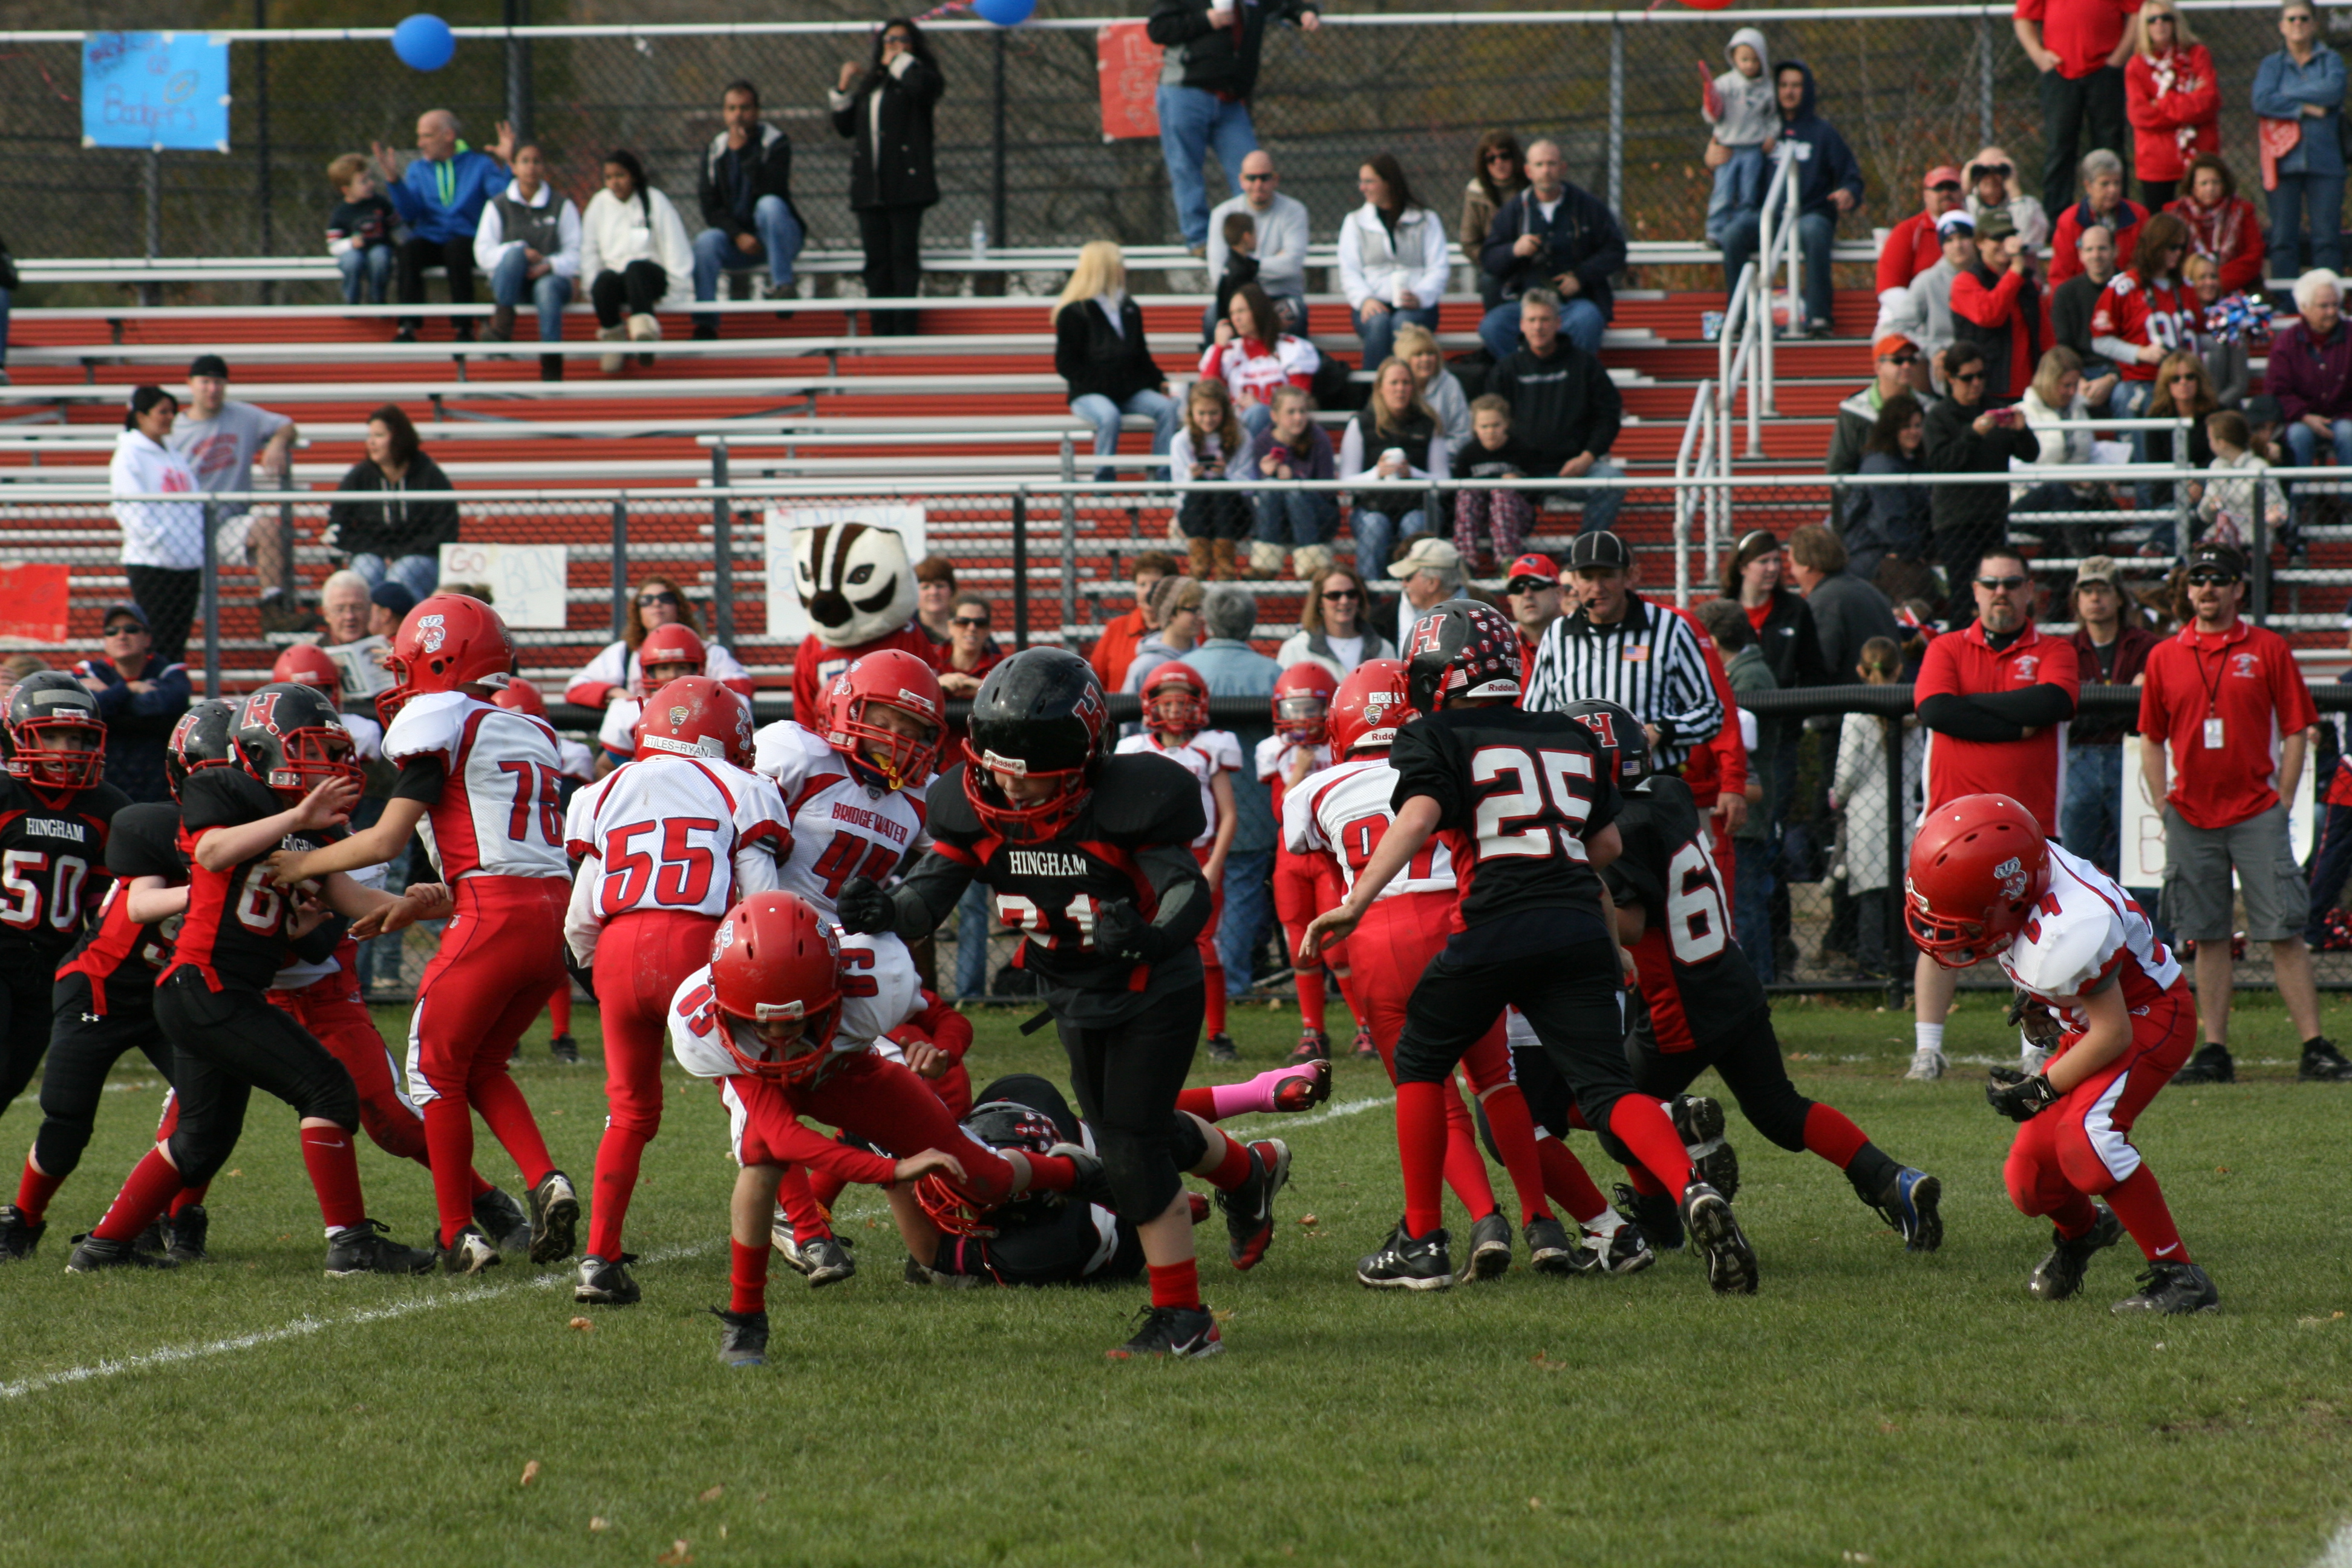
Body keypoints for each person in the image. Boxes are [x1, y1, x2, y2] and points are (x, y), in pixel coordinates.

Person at [840, 648, 1293, 1357]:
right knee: (1119, 1132)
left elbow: (1187, 890)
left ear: (1083, 765)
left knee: (1131, 1142)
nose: (1010, 794)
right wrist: (886, 909)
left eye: (1033, 780)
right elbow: (931, 892)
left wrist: (1148, 935)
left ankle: (1185, 1320)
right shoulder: (974, 804)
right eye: (997, 773)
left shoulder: (1129, 798)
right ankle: (1248, 1172)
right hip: (1073, 992)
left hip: (1151, 987)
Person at [1300, 602, 1759, 1295]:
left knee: (1421, 1060)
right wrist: (1613, 945)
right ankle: (1693, 1189)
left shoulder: (1434, 732)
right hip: (1576, 924)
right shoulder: (1568, 732)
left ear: (1443, 671)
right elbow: (1602, 847)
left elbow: (1419, 816)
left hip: (1496, 922)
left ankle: (1420, 1237)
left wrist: (1355, 901)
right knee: (1605, 1086)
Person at [69, 682, 449, 1278]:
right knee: (327, 1090)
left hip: (213, 990)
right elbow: (216, 854)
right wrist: (294, 817)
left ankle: (103, 1247)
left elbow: (350, 897)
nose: (320, 766)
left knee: (201, 1137)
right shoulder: (220, 787)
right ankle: (350, 1244)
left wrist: (427, 903)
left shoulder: (308, 824)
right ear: (258, 748)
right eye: (305, 749)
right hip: (206, 984)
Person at [267, 595, 581, 1273]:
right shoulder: (526, 728)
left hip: (493, 915)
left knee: (434, 1072)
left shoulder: (439, 719)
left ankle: (455, 1231)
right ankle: (545, 1177)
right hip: (551, 914)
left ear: (439, 659)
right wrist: (418, 906)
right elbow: (505, 856)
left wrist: (302, 862)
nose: (401, 681)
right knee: (484, 1065)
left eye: (409, 665)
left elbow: (384, 837)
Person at [1290, 659, 1612, 1275]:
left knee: (1427, 1087)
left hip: (1379, 933)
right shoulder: (1455, 754)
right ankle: (1540, 1221)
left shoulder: (1313, 790)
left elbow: (1312, 870)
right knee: (1496, 1079)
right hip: (1457, 919)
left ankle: (1463, 1223)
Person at [1584, 699, 1941, 1246]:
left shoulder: (1622, 828)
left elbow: (1630, 926)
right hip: (1730, 978)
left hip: (1678, 1004)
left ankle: (1660, 1216)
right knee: (1779, 1109)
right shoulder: (1670, 794)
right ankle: (1891, 1179)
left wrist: (1578, 877)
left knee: (1617, 1112)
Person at [1906, 793, 2220, 1315]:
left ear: (2005, 897)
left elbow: (2113, 1033)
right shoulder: (2025, 880)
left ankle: (2181, 1276)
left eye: (1960, 914)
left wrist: (2040, 1090)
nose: (1944, 927)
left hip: (2149, 1018)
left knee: (2088, 1138)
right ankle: (2084, 1232)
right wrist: (2039, 1002)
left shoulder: (2070, 927)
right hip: (2096, 1021)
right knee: (2029, 1181)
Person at [560, 678, 782, 1305]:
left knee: (629, 1111)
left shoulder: (606, 791)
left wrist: (600, 977)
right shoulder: (741, 788)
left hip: (619, 952)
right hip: (697, 950)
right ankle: (812, 1235)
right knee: (751, 1092)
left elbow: (579, 921)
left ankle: (598, 1261)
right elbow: (761, 902)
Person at [2135, 540, 2348, 1085]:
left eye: (2218, 579)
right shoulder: (2164, 656)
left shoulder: (2269, 648)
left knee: (2284, 929)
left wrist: (2282, 798)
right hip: (2191, 811)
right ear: (2188, 589)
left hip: (2256, 810)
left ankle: (2314, 1046)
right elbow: (2152, 738)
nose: (2207, 588)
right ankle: (2215, 1051)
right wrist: (2163, 802)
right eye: (2199, 579)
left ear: (2237, 590)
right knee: (2207, 935)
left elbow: (2299, 727)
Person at [1906, 547, 2081, 1080]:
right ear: (1975, 591)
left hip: (2031, 825)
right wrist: (2014, 720)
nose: (2000, 592)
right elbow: (1935, 709)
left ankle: (2037, 1049)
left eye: (2011, 583)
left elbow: (2053, 703)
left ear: (2030, 591)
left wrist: (1973, 708)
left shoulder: (2056, 649)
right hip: (1950, 829)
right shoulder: (1946, 646)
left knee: (2035, 936)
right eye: (1990, 584)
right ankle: (1928, 1049)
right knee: (1939, 937)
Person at [0, 676, 125, 1136]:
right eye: (50, 735)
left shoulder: (106, 806)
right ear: (16, 734)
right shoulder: (5, 793)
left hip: (51, 961)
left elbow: (103, 893)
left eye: (76, 737)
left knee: (10, 1079)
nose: (65, 748)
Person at [1115, 664, 1241, 1061]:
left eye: (1181, 698)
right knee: (1140, 941)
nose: (1173, 708)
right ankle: (1142, 1026)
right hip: (1146, 858)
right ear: (1150, 705)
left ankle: (1217, 1035)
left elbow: (1229, 813)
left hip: (1197, 855)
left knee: (1205, 944)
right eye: (1164, 699)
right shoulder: (1134, 748)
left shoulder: (1211, 745)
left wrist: (1216, 862)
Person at [1179, 587, 1288, 1037]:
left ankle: (1199, 987)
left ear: (1208, 621)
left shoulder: (1186, 671)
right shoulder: (1271, 672)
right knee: (1241, 896)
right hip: (1256, 808)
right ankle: (1236, 982)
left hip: (1191, 815)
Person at [1524, 531, 1725, 771]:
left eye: (1607, 576)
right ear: (1574, 581)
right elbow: (1534, 718)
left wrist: (1661, 731)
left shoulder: (1669, 628)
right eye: (1587, 577)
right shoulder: (1557, 635)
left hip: (1653, 781)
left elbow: (1711, 711)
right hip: (1582, 786)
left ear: (1629, 576)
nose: (1597, 588)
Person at [1146, 0, 1322, 256]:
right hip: (1185, 92)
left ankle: (1252, 238)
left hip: (1230, 99)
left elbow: (1284, 5)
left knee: (1251, 168)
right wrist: (1206, 19)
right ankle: (1199, 240)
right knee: (1186, 168)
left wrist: (1304, 12)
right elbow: (1158, 29)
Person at [1720, 61, 1862, 339]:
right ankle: (1740, 318)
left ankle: (1819, 317)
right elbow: (1727, 151)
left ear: (1806, 89)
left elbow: (1851, 177)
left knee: (1814, 233)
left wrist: (1849, 193)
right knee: (1733, 234)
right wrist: (1713, 154)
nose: (1789, 92)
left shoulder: (1823, 132)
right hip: (1766, 216)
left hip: (1810, 212)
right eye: (1783, 85)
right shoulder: (1758, 128)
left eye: (1796, 86)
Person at [171, 353, 301, 631]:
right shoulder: (173, 428)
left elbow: (287, 425)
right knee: (186, 616)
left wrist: (277, 442)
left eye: (218, 382)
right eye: (205, 382)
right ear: (190, 384)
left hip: (228, 522)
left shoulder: (242, 416)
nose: (212, 389)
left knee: (267, 527)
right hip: (186, 528)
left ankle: (273, 608)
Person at [831, 20, 943, 338]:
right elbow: (845, 127)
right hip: (871, 189)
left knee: (903, 258)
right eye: (888, 40)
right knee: (877, 262)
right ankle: (881, 329)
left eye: (901, 39)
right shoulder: (874, 84)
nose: (893, 45)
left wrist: (902, 61)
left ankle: (905, 330)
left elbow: (925, 89)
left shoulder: (918, 78)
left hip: (906, 188)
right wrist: (842, 87)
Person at [1484, 289, 1624, 534]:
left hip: (1574, 470)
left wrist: (1587, 458)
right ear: (1522, 325)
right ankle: (1510, 561)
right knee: (1489, 484)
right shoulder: (1506, 370)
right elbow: (1489, 422)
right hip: (1521, 472)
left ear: (1558, 323)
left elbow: (1609, 416)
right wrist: (1509, 467)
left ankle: (1582, 554)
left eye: (1545, 320)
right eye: (1532, 320)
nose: (1538, 327)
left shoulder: (1585, 365)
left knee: (1614, 480)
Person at [373, 108, 514, 343]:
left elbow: (504, 201)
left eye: (427, 136)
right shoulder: (418, 169)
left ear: (448, 136)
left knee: (457, 251)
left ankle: (464, 327)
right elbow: (410, 213)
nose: (420, 143)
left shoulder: (480, 165)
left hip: (466, 239)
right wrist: (394, 181)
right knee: (409, 251)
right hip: (431, 237)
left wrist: (509, 162)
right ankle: (408, 325)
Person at [1477, 139, 1625, 361]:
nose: (1546, 171)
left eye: (1552, 164)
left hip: (1574, 304)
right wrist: (1514, 250)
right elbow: (1488, 258)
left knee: (1589, 321)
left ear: (1563, 168)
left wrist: (1581, 276)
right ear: (1528, 171)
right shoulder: (1516, 210)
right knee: (1492, 327)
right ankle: (1524, 375)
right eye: (1539, 165)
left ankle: (1573, 378)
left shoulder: (1587, 206)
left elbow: (1616, 250)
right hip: (1526, 304)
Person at [2062, 554, 2161, 886]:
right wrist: (2127, 703)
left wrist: (2094, 709)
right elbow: (2068, 715)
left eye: (2102, 589)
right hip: (2080, 758)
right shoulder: (2064, 651)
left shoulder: (2148, 647)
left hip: (2133, 756)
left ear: (2119, 597)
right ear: (2076, 600)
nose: (2094, 598)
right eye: (2086, 591)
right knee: (2077, 866)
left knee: (2138, 864)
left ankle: (2147, 936)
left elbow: (2154, 711)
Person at [1828, 637, 1922, 981]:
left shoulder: (1856, 713)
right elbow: (1916, 767)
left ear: (1861, 670)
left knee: (1870, 894)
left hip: (1866, 813)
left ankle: (1871, 963)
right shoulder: (1913, 710)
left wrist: (1838, 795)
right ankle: (1909, 962)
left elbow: (1848, 770)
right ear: (1899, 669)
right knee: (1904, 894)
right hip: (1903, 808)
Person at [1054, 241, 1181, 487]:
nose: (1125, 268)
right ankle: (1104, 482)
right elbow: (1066, 364)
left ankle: (1162, 476)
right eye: (1119, 263)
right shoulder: (1074, 312)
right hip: (1090, 393)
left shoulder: (1129, 308)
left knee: (1167, 409)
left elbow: (1141, 355)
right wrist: (1103, 383)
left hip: (1127, 391)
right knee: (1109, 416)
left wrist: (1159, 381)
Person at [1697, 599, 1779, 977]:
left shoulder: (1747, 678)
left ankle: (1758, 980)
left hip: (1745, 807)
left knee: (1745, 904)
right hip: (1737, 804)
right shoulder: (1742, 672)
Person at [691, 80, 807, 339]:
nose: (738, 115)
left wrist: (744, 154)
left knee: (770, 206)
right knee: (705, 243)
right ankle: (706, 324)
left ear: (757, 111)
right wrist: (737, 235)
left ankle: (783, 288)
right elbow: (710, 208)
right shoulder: (714, 150)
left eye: (745, 108)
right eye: (731, 109)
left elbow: (773, 188)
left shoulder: (776, 142)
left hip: (779, 238)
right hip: (740, 241)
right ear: (724, 113)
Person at [1924, 342, 2040, 583]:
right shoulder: (1939, 416)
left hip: (1993, 517)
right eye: (1968, 378)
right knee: (1964, 592)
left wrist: (2021, 430)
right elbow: (1941, 463)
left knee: (1996, 587)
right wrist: (1973, 434)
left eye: (1981, 376)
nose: (1976, 383)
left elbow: (2030, 455)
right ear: (1950, 378)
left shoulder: (1995, 409)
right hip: (1956, 521)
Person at [109, 385, 204, 668]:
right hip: (153, 563)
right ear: (141, 415)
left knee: (178, 640)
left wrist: (191, 547)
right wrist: (161, 542)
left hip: (186, 562)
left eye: (172, 411)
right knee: (157, 638)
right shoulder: (130, 455)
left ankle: (172, 693)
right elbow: (130, 508)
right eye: (162, 411)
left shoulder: (173, 454)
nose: (169, 417)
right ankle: (157, 695)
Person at [325, 403, 457, 604]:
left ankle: (409, 631)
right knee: (365, 572)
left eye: (379, 436)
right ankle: (369, 631)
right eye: (370, 437)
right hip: (373, 554)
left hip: (421, 556)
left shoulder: (429, 475)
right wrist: (381, 553)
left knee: (402, 575)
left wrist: (398, 555)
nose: (371, 443)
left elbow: (445, 530)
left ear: (398, 438)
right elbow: (337, 525)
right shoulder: (360, 477)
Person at [2016, 0, 2138, 217]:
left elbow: (2137, 13)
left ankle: (2116, 219)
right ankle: (2058, 222)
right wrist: (2040, 57)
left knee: (2110, 148)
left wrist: (2118, 59)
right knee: (2060, 149)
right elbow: (2023, 19)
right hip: (2060, 74)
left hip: (2105, 73)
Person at [2253, 1, 2345, 282]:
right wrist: (2304, 108)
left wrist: (2286, 96)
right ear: (2281, 26)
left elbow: (2332, 92)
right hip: (2283, 163)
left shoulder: (2331, 60)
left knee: (2326, 237)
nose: (2297, 24)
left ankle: (2329, 301)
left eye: (2304, 18)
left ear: (2314, 24)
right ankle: (2286, 305)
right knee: (2283, 237)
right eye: (2291, 19)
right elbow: (2261, 100)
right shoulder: (2271, 64)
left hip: (2325, 161)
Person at [474, 142, 581, 383]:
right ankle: (502, 326)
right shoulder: (498, 205)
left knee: (546, 288)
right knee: (515, 255)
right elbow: (483, 253)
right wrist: (520, 252)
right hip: (512, 283)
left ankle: (551, 362)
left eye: (537, 161)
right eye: (525, 161)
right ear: (513, 167)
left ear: (544, 167)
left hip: (551, 282)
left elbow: (575, 254)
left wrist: (549, 265)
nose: (531, 167)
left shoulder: (562, 205)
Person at [579, 150, 693, 374]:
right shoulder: (599, 204)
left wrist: (678, 289)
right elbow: (589, 250)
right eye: (609, 177)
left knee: (635, 268)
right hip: (618, 278)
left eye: (620, 176)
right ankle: (614, 338)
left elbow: (674, 245)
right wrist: (589, 287)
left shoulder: (654, 200)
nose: (615, 183)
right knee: (604, 281)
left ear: (633, 176)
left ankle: (644, 333)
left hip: (649, 277)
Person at [565, 575, 752, 711]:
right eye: (647, 600)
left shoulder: (709, 651)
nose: (656, 604)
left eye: (665, 599)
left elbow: (741, 686)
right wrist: (616, 693)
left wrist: (701, 698)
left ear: (679, 607)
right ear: (637, 611)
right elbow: (575, 689)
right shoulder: (624, 653)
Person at [1339, 356, 1451, 578]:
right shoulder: (1360, 423)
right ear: (1380, 388)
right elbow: (1346, 483)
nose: (1400, 389)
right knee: (1375, 525)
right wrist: (1376, 474)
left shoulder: (1428, 424)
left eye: (1406, 382)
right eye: (1394, 383)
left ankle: (1419, 598)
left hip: (1417, 506)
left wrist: (1414, 474)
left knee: (1414, 524)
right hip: (1372, 507)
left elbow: (1444, 481)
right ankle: (1371, 602)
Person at [72, 603, 191, 805]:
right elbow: (84, 709)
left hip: (158, 782)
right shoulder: (88, 670)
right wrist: (129, 689)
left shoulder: (171, 671)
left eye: (131, 629)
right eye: (112, 631)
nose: (121, 636)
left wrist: (109, 698)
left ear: (148, 639)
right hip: (103, 779)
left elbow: (160, 706)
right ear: (105, 641)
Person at [1339, 153, 1448, 371]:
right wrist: (1365, 300)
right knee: (1379, 325)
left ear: (1388, 183)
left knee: (1403, 325)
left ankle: (1409, 392)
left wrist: (1420, 296)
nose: (1362, 188)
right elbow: (1349, 271)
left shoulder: (1426, 220)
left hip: (1417, 306)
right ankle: (1373, 395)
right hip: (1373, 304)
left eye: (1369, 181)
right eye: (1361, 181)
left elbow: (1439, 267)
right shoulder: (1354, 222)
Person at [2091, 210, 2198, 425]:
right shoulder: (2124, 287)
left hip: (2187, 384)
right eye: (2172, 247)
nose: (2178, 253)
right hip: (2145, 382)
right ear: (2156, 246)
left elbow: (2200, 335)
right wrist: (2140, 353)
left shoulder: (2185, 287)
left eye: (2181, 247)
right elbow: (2100, 340)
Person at [2267, 269, 2352, 509]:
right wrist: (2304, 416)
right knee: (2297, 436)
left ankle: (2349, 507)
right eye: (2324, 306)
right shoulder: (2287, 342)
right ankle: (2296, 509)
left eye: (2336, 305)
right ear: (2304, 307)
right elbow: (2277, 390)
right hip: (2301, 419)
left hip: (2345, 417)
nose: (2332, 311)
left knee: (2348, 434)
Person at [1828, 334, 1927, 537]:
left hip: (1916, 521)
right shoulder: (1855, 411)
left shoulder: (1929, 408)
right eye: (1898, 360)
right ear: (1878, 366)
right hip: (1864, 524)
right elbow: (1839, 467)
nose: (1907, 366)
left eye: (1912, 360)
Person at [2011, 346, 2114, 541]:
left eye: (2076, 385)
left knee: (2068, 517)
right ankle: (2081, 557)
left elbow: (2090, 454)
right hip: (2030, 499)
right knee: (2058, 492)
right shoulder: (2021, 414)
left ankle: (2074, 562)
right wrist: (2067, 480)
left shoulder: (2080, 410)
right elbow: (2016, 470)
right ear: (2049, 382)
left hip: (2077, 499)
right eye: (2066, 385)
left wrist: (2102, 477)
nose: (2072, 392)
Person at [2122, 0, 2216, 212]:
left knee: (2202, 224)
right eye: (2152, 20)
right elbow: (2140, 115)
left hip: (2198, 157)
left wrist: (2162, 103)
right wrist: (2187, 103)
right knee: (2162, 228)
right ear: (2144, 27)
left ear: (2176, 22)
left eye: (2166, 18)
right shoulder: (2137, 65)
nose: (2159, 24)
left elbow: (2207, 103)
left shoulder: (2197, 55)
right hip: (2157, 163)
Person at [1207, 149, 1309, 333]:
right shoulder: (1222, 214)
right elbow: (1218, 274)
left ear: (1276, 179)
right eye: (1251, 178)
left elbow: (1292, 265)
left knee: (1291, 316)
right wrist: (1273, 261)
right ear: (1241, 180)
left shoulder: (1294, 211)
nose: (1258, 184)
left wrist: (1243, 265)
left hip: (1281, 296)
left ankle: (1290, 363)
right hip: (1239, 299)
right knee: (1212, 319)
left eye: (1265, 177)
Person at [1198, 280, 1318, 437]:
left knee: (1258, 413)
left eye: (1241, 311)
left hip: (1280, 431)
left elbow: (1300, 402)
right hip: (1233, 433)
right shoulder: (1227, 351)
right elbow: (1206, 393)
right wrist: (1219, 347)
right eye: (1233, 313)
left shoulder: (1293, 348)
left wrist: (1262, 407)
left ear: (1258, 310)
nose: (1236, 318)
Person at [1720, 528, 1834, 693]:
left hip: (1786, 709)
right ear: (1742, 567)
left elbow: (1813, 670)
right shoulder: (1725, 613)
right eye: (1763, 561)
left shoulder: (1795, 609)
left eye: (1776, 560)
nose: (1773, 568)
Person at [1246, 385, 1339, 580]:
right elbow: (1254, 493)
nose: (1299, 417)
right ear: (1274, 416)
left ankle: (1313, 565)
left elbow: (1328, 490)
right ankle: (1265, 565)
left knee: (1295, 493)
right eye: (1291, 412)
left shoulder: (1318, 438)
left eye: (1302, 411)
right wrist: (1266, 477)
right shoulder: (1263, 441)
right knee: (1269, 490)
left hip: (1318, 516)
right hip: (1278, 518)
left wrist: (1296, 480)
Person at [1786, 523, 1900, 681]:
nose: (1791, 572)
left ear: (1808, 566)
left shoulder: (1823, 602)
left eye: (1792, 563)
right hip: (1885, 693)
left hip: (1850, 699)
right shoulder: (1867, 590)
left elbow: (1820, 666)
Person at [1952, 209, 2043, 401]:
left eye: (2009, 237)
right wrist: (2017, 269)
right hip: (1986, 391)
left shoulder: (2026, 284)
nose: (2005, 244)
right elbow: (1990, 315)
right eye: (1997, 238)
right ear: (1980, 243)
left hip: (2029, 390)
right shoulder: (1965, 282)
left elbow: (2044, 333)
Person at [1171, 379, 1256, 583]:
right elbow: (1180, 490)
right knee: (1201, 487)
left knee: (1221, 489)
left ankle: (1224, 565)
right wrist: (1192, 476)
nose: (1208, 419)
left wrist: (1225, 474)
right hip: (1196, 512)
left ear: (1225, 412)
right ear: (1192, 412)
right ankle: (1200, 564)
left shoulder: (1242, 436)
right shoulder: (1182, 441)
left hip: (1234, 513)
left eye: (1214, 413)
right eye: (1202, 413)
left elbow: (1248, 487)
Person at [1848, 392, 1935, 586]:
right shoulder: (1881, 466)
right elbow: (1890, 520)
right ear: (1891, 429)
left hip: (1898, 551)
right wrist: (1914, 553)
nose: (1914, 432)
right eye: (1906, 427)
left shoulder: (1915, 463)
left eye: (1918, 426)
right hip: (1870, 553)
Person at [1702, 27, 1777, 250]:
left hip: (1753, 148)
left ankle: (1738, 229)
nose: (1749, 65)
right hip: (1728, 148)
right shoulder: (1724, 84)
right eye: (1744, 59)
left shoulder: (1768, 88)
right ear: (1734, 58)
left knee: (1748, 193)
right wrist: (1710, 102)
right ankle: (1715, 231)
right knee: (1723, 191)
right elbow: (1711, 113)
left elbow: (1773, 117)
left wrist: (1771, 135)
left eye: (1755, 60)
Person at [2139, 346, 2219, 551]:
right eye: (2176, 379)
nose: (2183, 383)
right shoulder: (2156, 419)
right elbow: (2157, 469)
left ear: (2199, 380)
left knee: (2202, 510)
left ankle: (2158, 547)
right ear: (2167, 384)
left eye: (2189, 377)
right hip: (2170, 494)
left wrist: (2200, 483)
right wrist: (2183, 488)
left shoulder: (2216, 414)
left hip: (2212, 492)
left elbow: (2218, 458)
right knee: (2176, 510)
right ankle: (2165, 552)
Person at [1452, 393, 1541, 570]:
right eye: (1484, 426)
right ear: (1475, 428)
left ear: (1506, 424)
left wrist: (1519, 484)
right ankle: (1466, 560)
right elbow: (1455, 493)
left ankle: (1507, 560)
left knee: (1502, 493)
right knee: (1468, 493)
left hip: (1515, 517)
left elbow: (1537, 495)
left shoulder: (1523, 450)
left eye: (1495, 425)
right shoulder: (1468, 454)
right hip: (1479, 518)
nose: (1490, 431)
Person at [2048, 148, 2147, 289]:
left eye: (2117, 183)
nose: (2113, 190)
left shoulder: (2138, 216)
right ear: (2088, 186)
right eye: (2105, 184)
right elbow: (2060, 276)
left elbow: (2144, 266)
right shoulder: (2070, 221)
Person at [2049, 224, 2125, 407]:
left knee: (2124, 396)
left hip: (2123, 372)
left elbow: (2139, 343)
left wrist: (2112, 378)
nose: (2096, 255)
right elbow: (2064, 345)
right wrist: (2078, 380)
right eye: (2089, 249)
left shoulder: (2131, 289)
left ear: (2115, 251)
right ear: (2081, 254)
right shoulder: (2066, 293)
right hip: (2080, 371)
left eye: (2102, 248)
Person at [2165, 153, 2262, 296]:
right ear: (2193, 187)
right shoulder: (2175, 214)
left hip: (2236, 289)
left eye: (2216, 182)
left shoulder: (2242, 211)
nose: (2210, 188)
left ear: (2224, 184)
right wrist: (2197, 282)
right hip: (2186, 291)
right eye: (2204, 183)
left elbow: (2253, 256)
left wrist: (2215, 281)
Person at [1276, 563, 1392, 679]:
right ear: (1319, 602)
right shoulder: (1297, 648)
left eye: (1351, 594)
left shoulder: (1383, 649)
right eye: (1334, 596)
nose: (1344, 601)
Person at [2198, 410, 2290, 549]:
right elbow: (2204, 514)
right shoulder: (2217, 466)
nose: (2209, 443)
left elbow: (2280, 509)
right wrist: (2211, 505)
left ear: (2222, 443)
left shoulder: (2259, 467)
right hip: (2222, 544)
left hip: (2252, 543)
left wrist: (2272, 516)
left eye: (2210, 439)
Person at [1087, 549, 1175, 693]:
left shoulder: (1187, 628)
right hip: (1121, 713)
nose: (1148, 592)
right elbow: (1096, 680)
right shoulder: (1117, 628)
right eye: (1142, 585)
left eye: (1155, 585)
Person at [1877, 166, 1966, 299]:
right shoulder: (1908, 232)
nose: (1946, 193)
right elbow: (1890, 288)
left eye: (1952, 187)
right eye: (1939, 188)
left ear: (1962, 192)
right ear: (1925, 195)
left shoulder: (1975, 227)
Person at [1460, 132, 1524, 310]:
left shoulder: (1530, 189)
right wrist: (1494, 260)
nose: (1499, 163)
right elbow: (1469, 242)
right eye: (1491, 159)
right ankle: (1497, 328)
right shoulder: (1476, 193)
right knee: (1490, 282)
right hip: (1494, 264)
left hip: (1529, 262)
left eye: (1505, 156)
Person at [324, 152, 397, 306]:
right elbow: (333, 245)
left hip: (378, 247)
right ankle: (352, 301)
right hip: (356, 252)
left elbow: (396, 226)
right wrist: (351, 243)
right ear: (347, 190)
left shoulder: (380, 203)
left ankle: (377, 298)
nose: (370, 184)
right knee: (352, 260)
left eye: (370, 179)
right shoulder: (341, 213)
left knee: (380, 257)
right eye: (363, 182)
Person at [1123, 573, 1204, 694]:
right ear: (1170, 613)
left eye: (1202, 610)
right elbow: (1128, 710)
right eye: (1193, 610)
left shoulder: (1203, 659)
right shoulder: (1146, 665)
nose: (1202, 617)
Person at [1386, 536, 1466, 653]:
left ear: (1432, 583)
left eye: (1408, 578)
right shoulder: (1384, 617)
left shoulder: (1484, 615)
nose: (1403, 584)